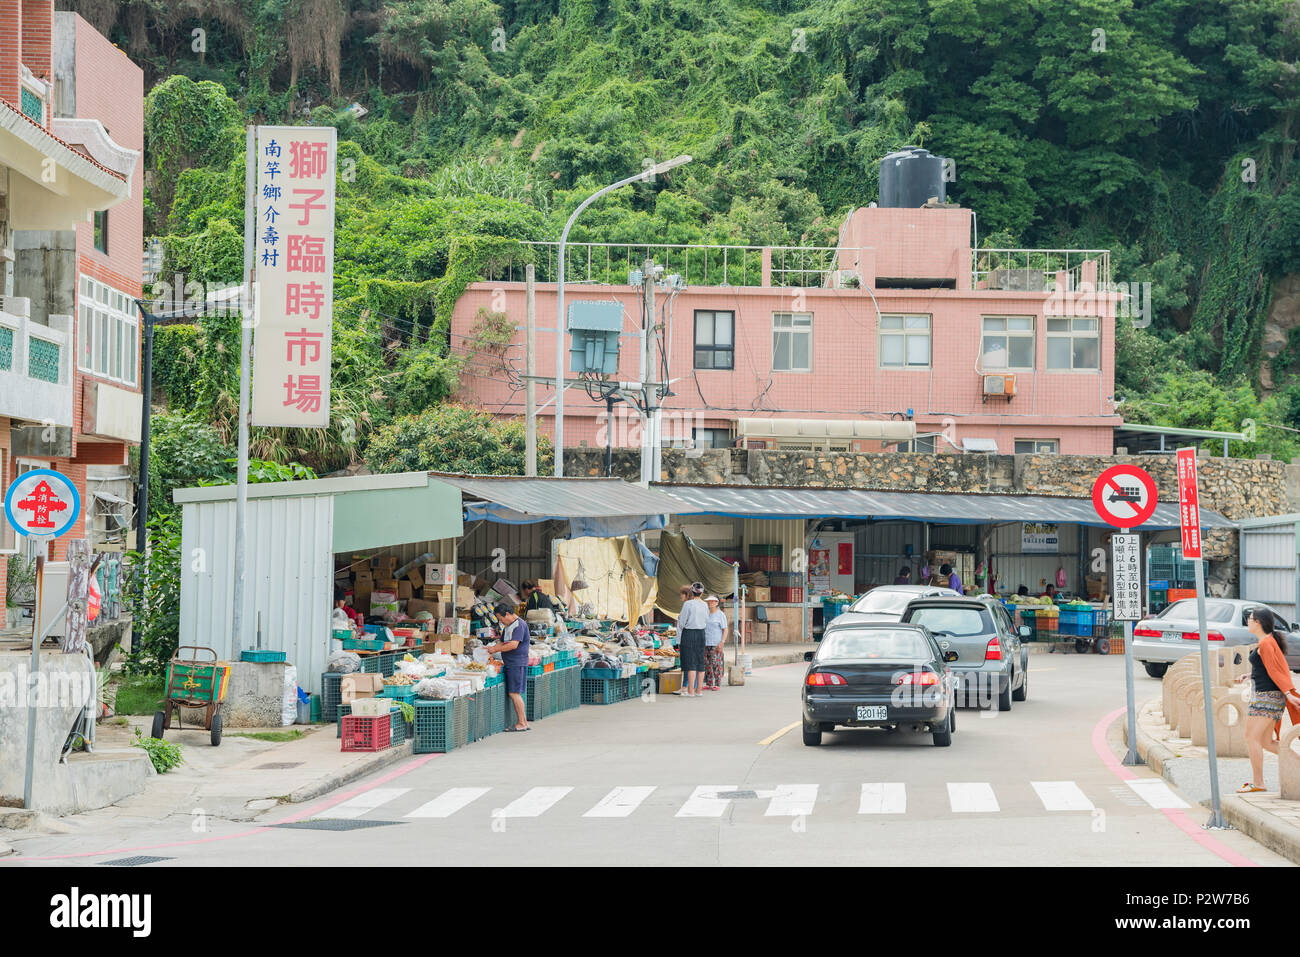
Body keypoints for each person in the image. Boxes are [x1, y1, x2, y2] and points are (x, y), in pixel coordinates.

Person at [1235, 609, 1300, 792]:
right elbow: (1267, 668)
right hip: (1267, 695)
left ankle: (1259, 783)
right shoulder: (1267, 642)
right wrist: (1249, 675)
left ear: (1258, 622)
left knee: (1251, 738)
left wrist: (1288, 694)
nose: (1248, 621)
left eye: (1250, 619)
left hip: (1267, 697)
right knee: (1266, 742)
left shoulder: (1266, 644)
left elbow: (1276, 671)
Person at [485, 601, 531, 731]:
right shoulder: (508, 627)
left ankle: (522, 723)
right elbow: (503, 642)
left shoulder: (519, 625)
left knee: (514, 693)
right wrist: (492, 649)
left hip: (517, 663)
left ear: (507, 614)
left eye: (501, 619)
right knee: (514, 693)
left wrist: (495, 650)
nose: (501, 622)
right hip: (511, 663)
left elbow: (513, 645)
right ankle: (524, 722)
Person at [676, 585, 709, 697]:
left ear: (692, 592)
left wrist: (682, 625)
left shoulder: (688, 604)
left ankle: (690, 691)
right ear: (701, 593)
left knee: (690, 662)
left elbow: (682, 622)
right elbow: (706, 619)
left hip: (689, 633)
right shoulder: (705, 604)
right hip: (701, 633)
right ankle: (699, 691)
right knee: (700, 662)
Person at [702, 596, 728, 690]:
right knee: (707, 663)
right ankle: (709, 683)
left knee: (716, 663)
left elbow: (725, 629)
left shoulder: (720, 615)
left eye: (712, 602)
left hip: (716, 643)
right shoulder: (706, 614)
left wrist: (722, 642)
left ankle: (717, 683)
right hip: (705, 642)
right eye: (708, 602)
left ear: (717, 603)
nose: (710, 603)